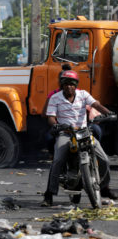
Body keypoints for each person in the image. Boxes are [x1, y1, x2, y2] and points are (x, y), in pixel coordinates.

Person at [42, 70, 117, 206]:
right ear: (62, 85)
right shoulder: (55, 98)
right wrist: (58, 125)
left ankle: (103, 187)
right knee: (57, 160)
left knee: (104, 159)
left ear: (76, 85)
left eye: (72, 84)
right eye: (66, 84)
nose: (69, 86)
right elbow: (51, 118)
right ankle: (49, 194)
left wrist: (109, 113)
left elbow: (96, 105)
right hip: (66, 133)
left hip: (84, 132)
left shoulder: (83, 95)